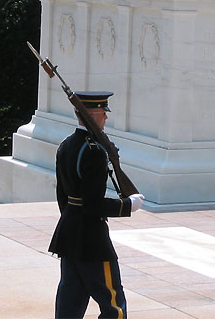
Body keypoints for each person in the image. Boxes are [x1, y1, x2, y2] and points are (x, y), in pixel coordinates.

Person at [49, 91, 144, 319]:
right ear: (92, 115)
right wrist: (126, 205)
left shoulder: (66, 144)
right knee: (114, 305)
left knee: (69, 304)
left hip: (69, 234)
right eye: (103, 113)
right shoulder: (93, 152)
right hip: (92, 240)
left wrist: (72, 219)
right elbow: (93, 205)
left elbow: (63, 195)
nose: (106, 118)